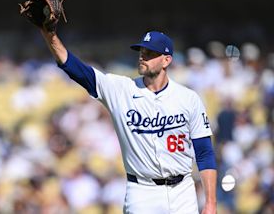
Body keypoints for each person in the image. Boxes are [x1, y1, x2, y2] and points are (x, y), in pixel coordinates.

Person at [39, 27, 217, 213]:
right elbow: (75, 68)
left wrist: (210, 202)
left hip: (182, 191)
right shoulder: (121, 90)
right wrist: (49, 34)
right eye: (141, 52)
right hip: (142, 192)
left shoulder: (188, 98)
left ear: (166, 60)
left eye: (150, 53)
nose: (142, 56)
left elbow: (204, 153)